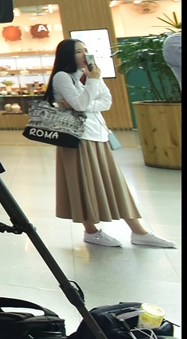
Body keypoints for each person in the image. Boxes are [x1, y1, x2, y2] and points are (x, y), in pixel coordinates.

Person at [47, 39, 175, 248]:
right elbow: (81, 104)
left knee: (113, 183)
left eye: (85, 50)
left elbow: (105, 102)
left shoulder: (91, 74)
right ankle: (91, 231)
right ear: (67, 56)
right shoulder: (63, 77)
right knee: (82, 184)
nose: (84, 54)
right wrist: (90, 88)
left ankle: (138, 232)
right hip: (77, 138)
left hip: (98, 136)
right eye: (78, 51)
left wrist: (87, 95)